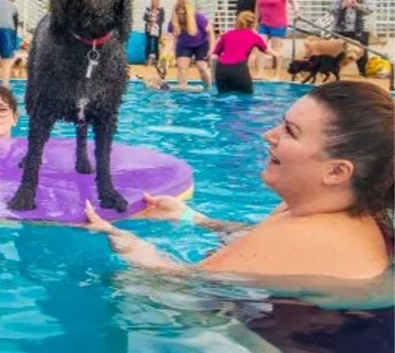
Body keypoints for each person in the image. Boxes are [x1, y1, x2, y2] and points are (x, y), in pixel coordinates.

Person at [85, 80, 392, 279]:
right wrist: (191, 217)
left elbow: (179, 291)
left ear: (337, 172)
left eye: (290, 131)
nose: (268, 134)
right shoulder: (321, 213)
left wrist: (122, 239)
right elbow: (254, 241)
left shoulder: (308, 236)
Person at [210, 11, 278, 94]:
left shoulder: (227, 34)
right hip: (239, 70)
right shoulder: (254, 36)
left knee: (222, 99)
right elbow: (266, 50)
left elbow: (214, 56)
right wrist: (277, 55)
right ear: (253, 24)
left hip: (221, 71)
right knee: (246, 98)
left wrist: (213, 75)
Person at [254, 0, 300, 79]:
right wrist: (256, 21)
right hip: (264, 23)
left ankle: (276, 74)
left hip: (278, 23)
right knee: (261, 46)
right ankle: (260, 72)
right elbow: (257, 6)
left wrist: (296, 11)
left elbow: (292, 0)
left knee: (275, 50)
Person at [168, 0, 214, 91]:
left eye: (184, 14)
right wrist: (172, 53)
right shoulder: (173, 22)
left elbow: (211, 32)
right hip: (184, 45)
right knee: (181, 66)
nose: (181, 17)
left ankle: (209, 88)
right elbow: (172, 39)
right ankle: (182, 90)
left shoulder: (199, 18)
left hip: (201, 44)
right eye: (179, 14)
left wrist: (212, 49)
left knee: (202, 67)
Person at [332, 0, 372, 76]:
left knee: (362, 51)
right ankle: (336, 71)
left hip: (361, 30)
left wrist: (357, 5)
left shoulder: (364, 0)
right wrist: (342, 6)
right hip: (341, 29)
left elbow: (370, 10)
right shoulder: (339, 0)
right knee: (338, 51)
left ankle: (363, 72)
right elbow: (330, 10)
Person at [142, 0, 165, 67]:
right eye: (153, 1)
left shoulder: (161, 10)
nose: (154, 2)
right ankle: (147, 60)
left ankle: (157, 60)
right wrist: (150, 20)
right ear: (151, 2)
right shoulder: (148, 9)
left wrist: (156, 23)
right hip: (148, 29)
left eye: (156, 1)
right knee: (148, 44)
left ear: (158, 2)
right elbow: (144, 18)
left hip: (157, 30)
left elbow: (162, 19)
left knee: (156, 45)